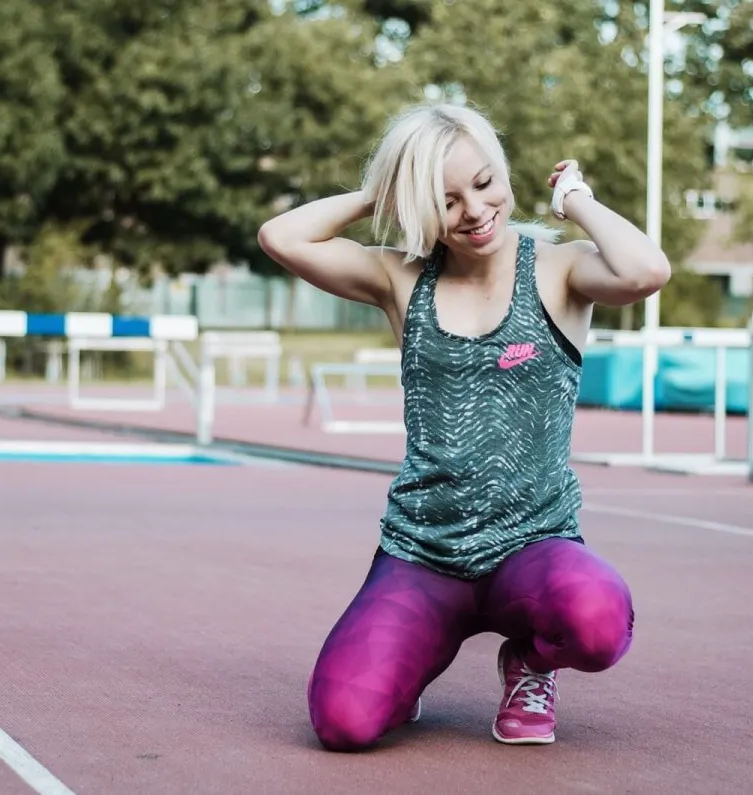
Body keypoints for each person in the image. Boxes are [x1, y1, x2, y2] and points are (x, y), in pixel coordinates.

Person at [257, 102, 670, 750]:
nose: (475, 209)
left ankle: (529, 663)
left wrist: (577, 198)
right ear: (421, 207)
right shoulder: (400, 277)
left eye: (483, 183)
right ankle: (407, 664)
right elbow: (281, 237)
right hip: (423, 558)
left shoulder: (559, 270)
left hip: (534, 548)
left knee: (596, 621)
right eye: (446, 199)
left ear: (502, 173)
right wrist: (379, 191)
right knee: (342, 722)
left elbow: (648, 270)